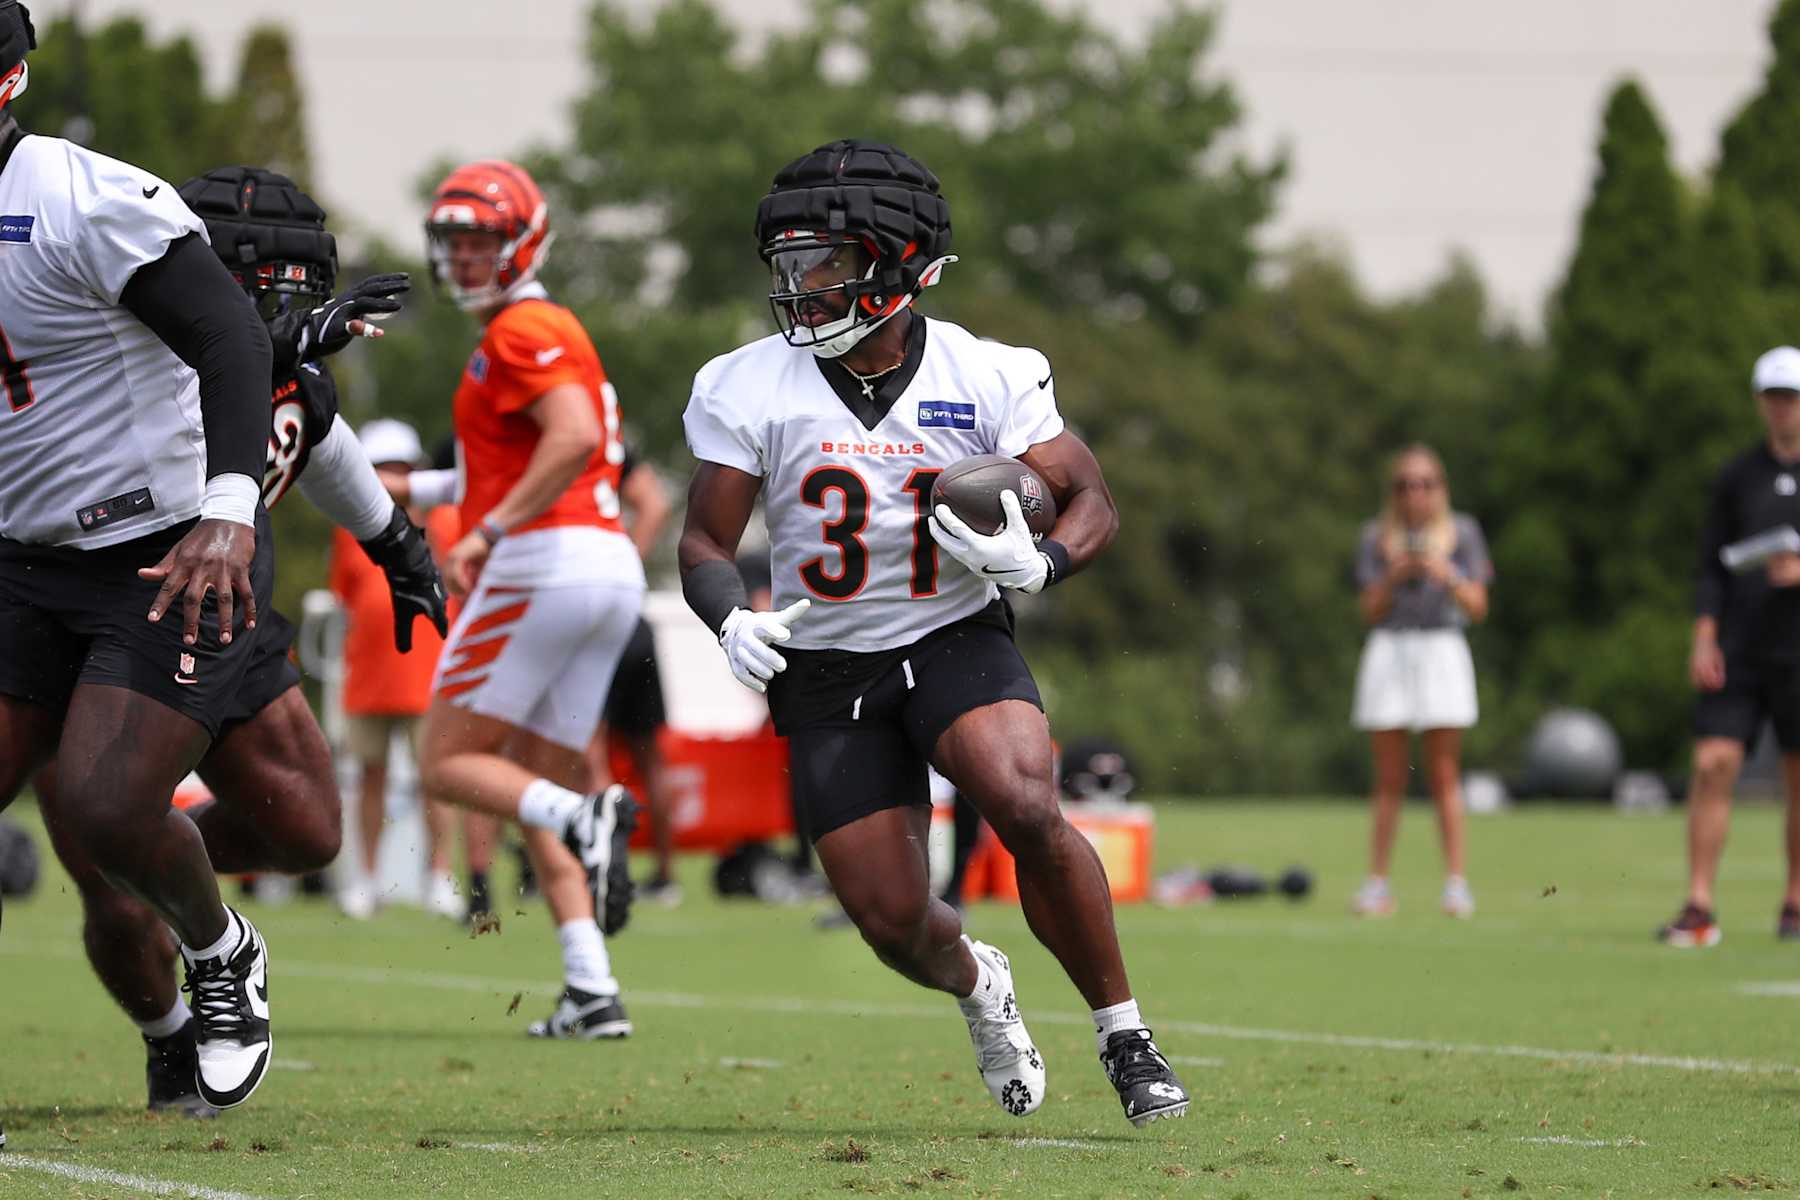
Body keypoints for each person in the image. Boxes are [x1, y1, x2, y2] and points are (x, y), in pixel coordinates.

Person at [677, 139, 1189, 1127]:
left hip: (953, 634)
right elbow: (704, 537)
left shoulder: (988, 375)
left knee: (1024, 799)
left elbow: (1090, 497)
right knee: (891, 921)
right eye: (791, 264)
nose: (802, 287)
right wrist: (725, 614)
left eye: (825, 263)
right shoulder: (745, 383)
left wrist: (1044, 565)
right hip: (826, 666)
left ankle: (1125, 1034)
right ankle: (979, 985)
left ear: (899, 265)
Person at [27, 163, 445, 1117]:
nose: (283, 299)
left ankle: (172, 881)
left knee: (306, 827)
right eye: (261, 279)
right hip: (111, 581)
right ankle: (170, 1033)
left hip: (227, 603)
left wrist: (398, 546)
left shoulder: (281, 364)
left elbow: (316, 439)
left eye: (296, 283)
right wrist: (278, 340)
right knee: (109, 853)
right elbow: (199, 366)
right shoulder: (122, 335)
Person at [0, 3, 277, 1112]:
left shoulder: (79, 194)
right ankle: (167, 1025)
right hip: (20, 555)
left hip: (156, 552)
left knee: (108, 808)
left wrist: (230, 509)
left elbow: (230, 335)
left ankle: (219, 954)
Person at [401, 159, 644, 1039]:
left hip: (544, 563)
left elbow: (573, 437)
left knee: (445, 765)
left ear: (525, 242)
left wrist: (486, 531)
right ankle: (591, 986)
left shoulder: (521, 327)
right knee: (524, 785)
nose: (465, 258)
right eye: (456, 242)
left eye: (483, 242)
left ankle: (589, 815)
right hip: (601, 567)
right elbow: (504, 458)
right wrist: (415, 488)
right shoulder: (535, 327)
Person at [1662, 346, 1800, 947]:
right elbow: (1710, 566)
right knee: (1712, 763)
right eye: (1772, 397)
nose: (1781, 409)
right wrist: (1703, 635)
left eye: (1790, 397)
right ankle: (1699, 903)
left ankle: (1795, 902)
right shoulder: (1736, 476)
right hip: (1741, 645)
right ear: (1758, 402)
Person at [330, 418, 465, 920]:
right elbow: (348, 596)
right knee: (369, 778)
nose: (389, 477)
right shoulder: (349, 528)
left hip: (429, 675)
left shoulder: (444, 523)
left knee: (437, 778)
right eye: (381, 467)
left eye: (398, 468)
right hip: (369, 676)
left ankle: (439, 876)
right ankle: (364, 879)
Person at [1350, 444, 1491, 919]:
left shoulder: (1464, 534)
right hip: (1391, 650)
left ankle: (1455, 883)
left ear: (1440, 488)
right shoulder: (1375, 537)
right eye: (1406, 484)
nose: (1416, 493)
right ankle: (1377, 883)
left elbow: (1478, 606)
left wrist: (1445, 574)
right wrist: (1394, 577)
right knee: (1389, 777)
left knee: (1444, 774)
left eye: (1426, 483)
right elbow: (1368, 611)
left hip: (1441, 649)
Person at [589, 448, 679, 900]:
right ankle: (665, 877)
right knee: (651, 758)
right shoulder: (608, 444)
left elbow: (654, 503)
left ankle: (607, 871)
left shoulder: (565, 445)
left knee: (590, 752)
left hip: (591, 621)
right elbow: (655, 502)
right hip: (631, 618)